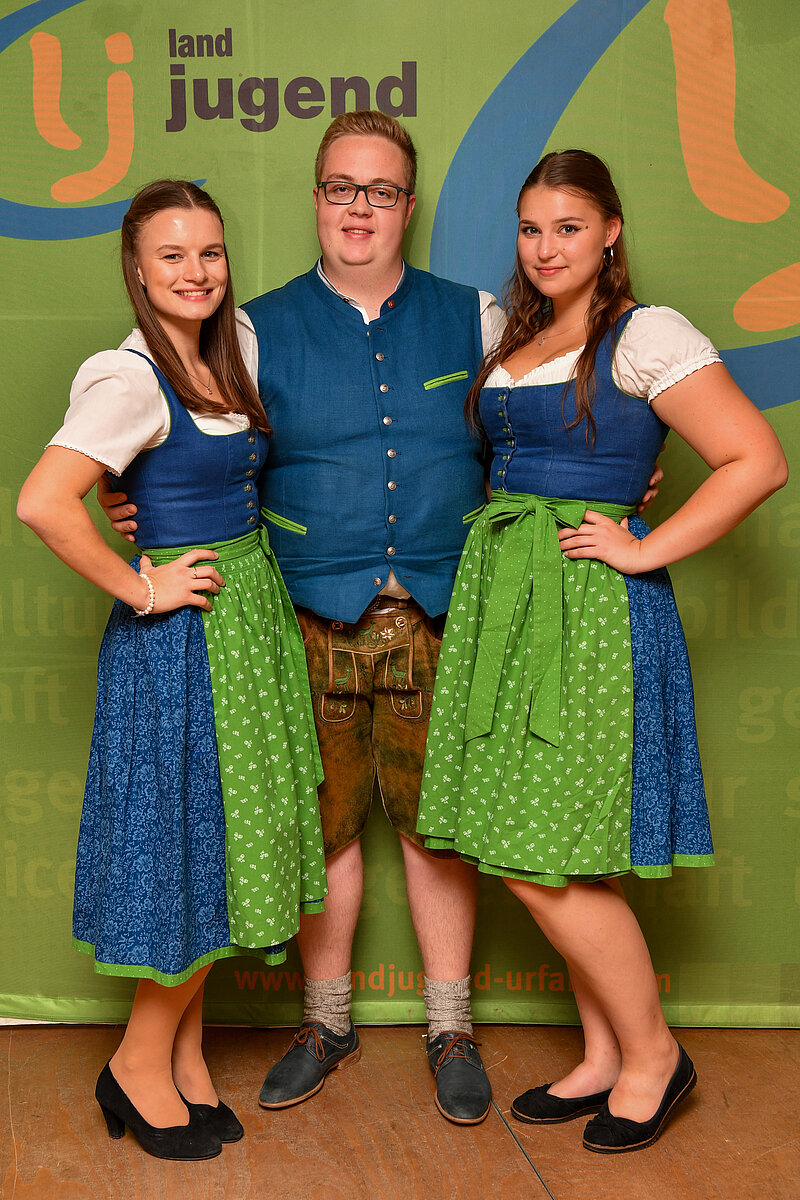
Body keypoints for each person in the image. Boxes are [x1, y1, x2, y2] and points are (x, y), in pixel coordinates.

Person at [99, 117, 660, 1125]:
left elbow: (554, 416)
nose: (358, 208)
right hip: (302, 619)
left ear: (409, 204)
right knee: (321, 825)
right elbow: (190, 442)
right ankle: (326, 1023)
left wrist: (622, 475)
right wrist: (128, 498)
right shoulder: (249, 329)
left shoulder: (480, 317)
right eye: (339, 188)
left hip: (450, 617)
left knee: (439, 830)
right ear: (316, 197)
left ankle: (450, 1027)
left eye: (381, 190)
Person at [416, 149, 788, 1152]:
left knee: (544, 855)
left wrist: (639, 544)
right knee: (561, 850)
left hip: (585, 612)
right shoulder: (522, 331)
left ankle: (654, 1056)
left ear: (611, 231)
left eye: (569, 228)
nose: (546, 248)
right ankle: (602, 1054)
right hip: (508, 598)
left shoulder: (646, 333)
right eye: (531, 229)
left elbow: (754, 459)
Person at [17, 180, 327, 1160]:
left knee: (217, 844)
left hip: (243, 621)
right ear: (138, 269)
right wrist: (142, 588)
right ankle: (137, 1063)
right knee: (192, 843)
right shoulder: (130, 377)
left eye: (210, 252)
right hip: (182, 643)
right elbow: (43, 501)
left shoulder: (223, 347)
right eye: (172, 256)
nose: (196, 272)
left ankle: (186, 1061)